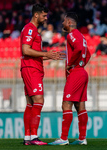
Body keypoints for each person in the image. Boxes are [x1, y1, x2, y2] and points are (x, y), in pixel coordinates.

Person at [20, 3, 63, 145]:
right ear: (36, 14)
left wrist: (49, 56)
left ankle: (28, 137)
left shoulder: (33, 30)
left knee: (30, 104)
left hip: (31, 67)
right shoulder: (30, 30)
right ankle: (34, 137)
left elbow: (33, 54)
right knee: (39, 100)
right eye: (44, 15)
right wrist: (45, 53)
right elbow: (26, 50)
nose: (45, 18)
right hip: (32, 69)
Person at [49, 12, 91, 145]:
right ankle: (82, 138)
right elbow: (88, 54)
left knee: (66, 104)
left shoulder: (71, 35)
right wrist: (81, 64)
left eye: (64, 21)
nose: (62, 23)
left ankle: (63, 138)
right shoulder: (81, 36)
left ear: (69, 22)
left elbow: (78, 49)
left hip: (76, 73)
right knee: (80, 106)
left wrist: (71, 64)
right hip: (82, 72)